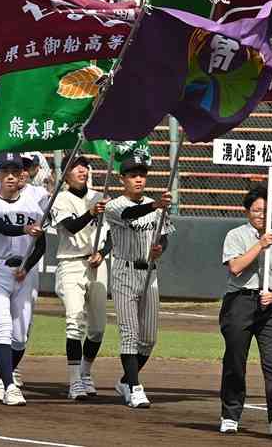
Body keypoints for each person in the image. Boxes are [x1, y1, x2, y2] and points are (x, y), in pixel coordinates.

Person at [219, 186, 272, 436]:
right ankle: (230, 415)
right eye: (256, 210)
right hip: (239, 302)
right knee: (235, 359)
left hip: (270, 306)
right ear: (247, 211)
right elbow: (235, 268)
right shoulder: (236, 235)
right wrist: (259, 246)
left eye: (266, 210)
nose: (261, 215)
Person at [105, 151, 174, 409]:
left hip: (150, 274)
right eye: (133, 175)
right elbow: (129, 216)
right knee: (129, 334)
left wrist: (160, 248)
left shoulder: (157, 207)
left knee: (149, 339)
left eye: (142, 175)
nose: (138, 179)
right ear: (123, 178)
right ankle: (134, 388)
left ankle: (125, 379)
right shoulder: (115, 205)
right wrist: (156, 205)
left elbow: (164, 235)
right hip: (124, 271)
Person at [0, 152, 46, 406]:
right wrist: (26, 228)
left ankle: (2, 376)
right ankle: (9, 385)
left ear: (21, 176)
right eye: (4, 171)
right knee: (3, 328)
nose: (9, 176)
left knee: (20, 336)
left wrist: (27, 267)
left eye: (14, 172)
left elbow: (41, 246)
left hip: (22, 274)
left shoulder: (32, 207)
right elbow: (1, 227)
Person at [51, 153, 111, 401]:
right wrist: (90, 212)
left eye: (84, 167)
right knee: (74, 321)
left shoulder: (99, 197)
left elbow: (111, 235)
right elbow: (71, 227)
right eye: (76, 168)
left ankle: (86, 372)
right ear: (65, 174)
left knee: (98, 328)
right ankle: (74, 381)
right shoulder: (60, 198)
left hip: (96, 264)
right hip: (71, 264)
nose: (82, 171)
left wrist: (103, 252)